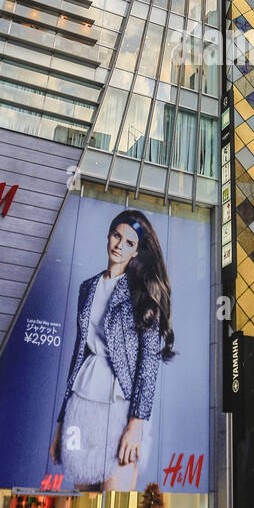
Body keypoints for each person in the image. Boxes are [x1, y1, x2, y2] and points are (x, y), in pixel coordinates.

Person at [51, 210, 173, 493]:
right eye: (117, 235)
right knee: (84, 501)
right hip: (82, 405)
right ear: (108, 236)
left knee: (115, 503)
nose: (120, 244)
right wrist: (61, 422)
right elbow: (78, 354)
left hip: (122, 408)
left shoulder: (144, 292)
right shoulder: (88, 288)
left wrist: (137, 424)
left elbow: (148, 364)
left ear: (136, 252)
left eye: (129, 242)